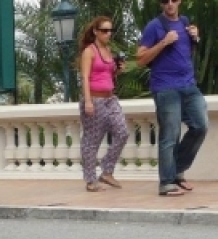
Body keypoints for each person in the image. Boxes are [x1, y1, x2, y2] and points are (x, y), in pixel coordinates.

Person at [137, 0, 206, 196]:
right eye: (164, 1)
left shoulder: (185, 22)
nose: (169, 4)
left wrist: (195, 37)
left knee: (201, 126)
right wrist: (163, 43)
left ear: (179, 1)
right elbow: (140, 59)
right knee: (170, 134)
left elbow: (184, 53)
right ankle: (166, 182)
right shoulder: (154, 26)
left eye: (173, 0)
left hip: (189, 86)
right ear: (160, 4)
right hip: (166, 88)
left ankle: (176, 170)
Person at [78, 16, 128, 192]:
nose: (108, 34)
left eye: (110, 31)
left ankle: (107, 170)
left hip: (110, 98)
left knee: (123, 132)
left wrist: (118, 70)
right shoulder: (89, 51)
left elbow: (108, 75)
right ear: (95, 31)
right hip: (95, 98)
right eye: (104, 30)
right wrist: (88, 101)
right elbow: (84, 77)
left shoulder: (108, 50)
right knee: (92, 140)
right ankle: (90, 180)